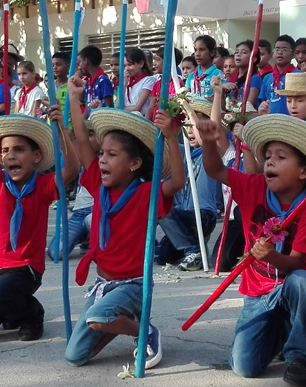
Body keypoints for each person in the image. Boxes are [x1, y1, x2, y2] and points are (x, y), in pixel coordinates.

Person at [197, 113, 306, 387]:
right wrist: (206, 143)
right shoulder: (254, 187)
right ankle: (280, 333)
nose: (270, 162)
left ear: (304, 171)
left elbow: (298, 263)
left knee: (304, 283)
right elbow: (217, 171)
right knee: (244, 366)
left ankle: (300, 356)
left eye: (281, 157)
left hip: (289, 283)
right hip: (257, 291)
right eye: (268, 156)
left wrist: (271, 257)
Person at [63, 79, 184, 368]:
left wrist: (170, 138)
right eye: (102, 153)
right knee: (76, 356)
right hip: (103, 284)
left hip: (133, 284)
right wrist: (74, 99)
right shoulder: (98, 185)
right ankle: (117, 322)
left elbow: (177, 182)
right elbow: (82, 140)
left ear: (134, 164)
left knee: (97, 317)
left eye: (112, 155)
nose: (102, 160)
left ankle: (145, 331)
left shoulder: (146, 192)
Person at [0, 90, 79, 344]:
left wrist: (62, 131)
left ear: (36, 156)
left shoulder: (42, 186)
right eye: (6, 151)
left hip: (24, 270)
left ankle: (31, 314)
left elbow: (73, 169)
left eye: (19, 150)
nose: (11, 155)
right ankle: (7, 310)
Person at [155, 101, 225, 272]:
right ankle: (193, 246)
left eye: (194, 127)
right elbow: (161, 142)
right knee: (161, 256)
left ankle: (192, 250)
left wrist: (187, 108)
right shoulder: (181, 151)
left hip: (202, 215)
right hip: (181, 216)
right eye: (187, 127)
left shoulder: (211, 152)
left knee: (161, 209)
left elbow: (204, 138)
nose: (191, 131)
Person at [47, 119, 99, 259]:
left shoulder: (105, 159)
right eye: (84, 135)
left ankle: (94, 238)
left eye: (91, 135)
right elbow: (75, 156)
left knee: (92, 219)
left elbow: (80, 147)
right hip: (79, 214)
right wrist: (66, 137)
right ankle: (85, 237)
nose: (86, 140)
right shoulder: (83, 157)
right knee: (55, 252)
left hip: (98, 212)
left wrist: (69, 138)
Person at [258, 35, 298, 115]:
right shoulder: (267, 77)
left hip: (292, 122)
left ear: (293, 54)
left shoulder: (298, 75)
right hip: (272, 122)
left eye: (285, 49)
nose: (280, 52)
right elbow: (264, 101)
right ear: (273, 54)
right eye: (277, 49)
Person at [186, 35, 224, 102]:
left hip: (211, 110)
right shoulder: (191, 75)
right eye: (195, 50)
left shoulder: (217, 74)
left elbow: (220, 99)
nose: (197, 54)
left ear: (212, 53)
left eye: (202, 50)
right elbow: (185, 95)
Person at [78, 46, 114, 110]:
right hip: (91, 119)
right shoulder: (88, 82)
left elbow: (109, 106)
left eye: (80, 62)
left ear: (86, 61)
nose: (79, 67)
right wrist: (82, 120)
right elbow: (87, 107)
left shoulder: (103, 80)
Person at [121, 47, 155, 115]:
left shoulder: (149, 80)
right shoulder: (128, 82)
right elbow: (117, 105)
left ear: (141, 64)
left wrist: (122, 109)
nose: (126, 68)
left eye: (130, 65)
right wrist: (124, 83)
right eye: (125, 66)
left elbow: (137, 107)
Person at [227, 40, 261, 107]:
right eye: (236, 52)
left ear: (254, 59)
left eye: (244, 52)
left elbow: (249, 105)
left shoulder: (255, 78)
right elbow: (223, 106)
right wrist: (222, 89)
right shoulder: (231, 78)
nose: (238, 54)